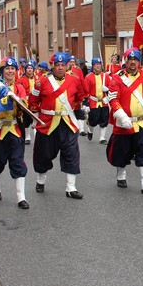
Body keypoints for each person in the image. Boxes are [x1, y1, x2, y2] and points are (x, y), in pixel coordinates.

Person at [27, 52, 86, 199]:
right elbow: (33, 101)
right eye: (57, 65)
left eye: (63, 65)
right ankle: (41, 179)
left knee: (71, 153)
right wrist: (36, 118)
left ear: (67, 66)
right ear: (52, 66)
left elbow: (79, 97)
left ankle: (71, 187)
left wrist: (75, 110)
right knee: (43, 155)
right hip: (47, 123)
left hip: (67, 122)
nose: (60, 68)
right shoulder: (41, 81)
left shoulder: (74, 80)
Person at [106, 48, 143, 197]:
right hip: (124, 123)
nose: (132, 62)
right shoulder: (117, 78)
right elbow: (113, 100)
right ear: (125, 61)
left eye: (135, 59)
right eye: (130, 59)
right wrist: (122, 117)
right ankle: (121, 174)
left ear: (139, 62)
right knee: (121, 153)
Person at [0, 57, 32, 209]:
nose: (10, 71)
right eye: (7, 69)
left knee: (18, 162)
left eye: (13, 69)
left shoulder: (19, 87)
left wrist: (18, 100)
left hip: (14, 130)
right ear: (2, 70)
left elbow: (25, 106)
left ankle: (21, 197)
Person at [82, 58, 111, 144]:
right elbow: (85, 91)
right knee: (93, 120)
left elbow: (112, 87)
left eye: (99, 64)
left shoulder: (106, 76)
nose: (98, 66)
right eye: (96, 64)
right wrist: (86, 103)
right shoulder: (88, 77)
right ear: (93, 66)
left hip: (104, 102)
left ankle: (102, 138)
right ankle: (90, 130)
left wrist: (107, 89)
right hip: (93, 102)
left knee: (104, 120)